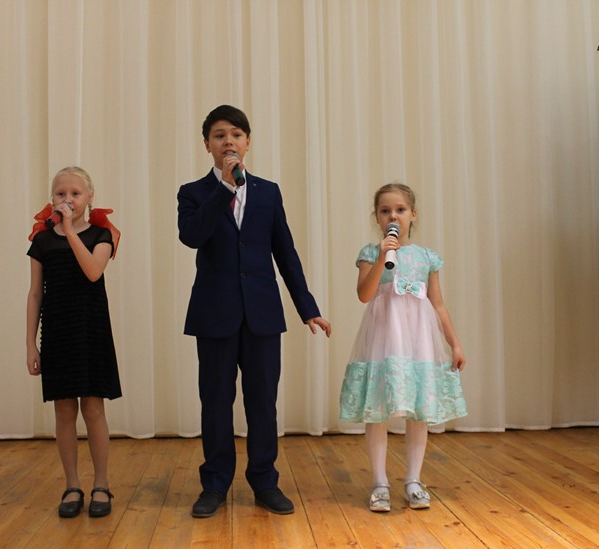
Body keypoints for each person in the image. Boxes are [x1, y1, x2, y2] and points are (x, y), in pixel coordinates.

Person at [178, 105, 331, 518]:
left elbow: (285, 253)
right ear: (207, 145)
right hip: (214, 314)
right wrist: (224, 189)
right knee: (216, 401)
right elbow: (191, 236)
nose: (228, 141)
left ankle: (265, 481)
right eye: (219, 135)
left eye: (236, 134)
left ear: (247, 142)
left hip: (262, 314)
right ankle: (214, 484)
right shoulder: (193, 192)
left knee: (263, 402)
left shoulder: (268, 192)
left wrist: (307, 308)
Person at [339, 183, 467, 512]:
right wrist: (383, 256)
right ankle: (379, 482)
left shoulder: (426, 257)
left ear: (413, 214)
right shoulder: (371, 253)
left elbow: (438, 305)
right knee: (378, 409)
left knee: (418, 410)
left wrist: (454, 343)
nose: (393, 216)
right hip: (384, 338)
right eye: (385, 211)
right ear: (377, 217)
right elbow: (364, 295)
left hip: (418, 340)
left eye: (400, 210)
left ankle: (413, 480)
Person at [26, 166, 122, 518]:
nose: (68, 199)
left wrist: (69, 230)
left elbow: (93, 271)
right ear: (52, 198)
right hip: (58, 330)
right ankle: (71, 484)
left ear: (89, 197)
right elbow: (35, 294)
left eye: (75, 194)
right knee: (64, 411)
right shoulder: (42, 240)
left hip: (90, 328)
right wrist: (30, 344)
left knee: (93, 408)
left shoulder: (101, 234)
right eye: (61, 193)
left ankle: (101, 484)